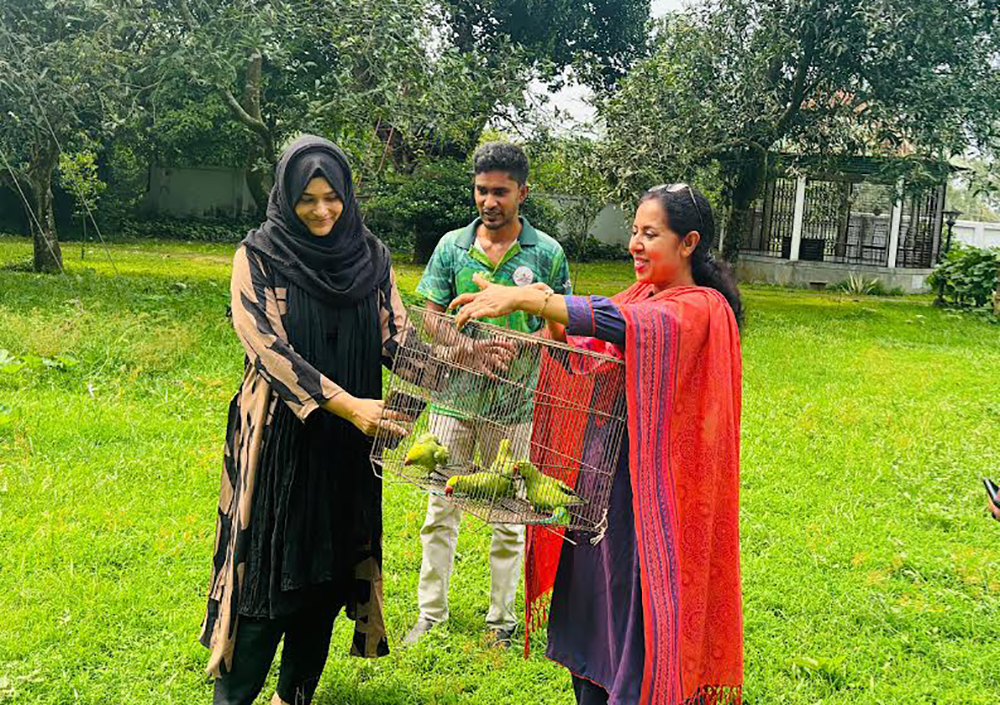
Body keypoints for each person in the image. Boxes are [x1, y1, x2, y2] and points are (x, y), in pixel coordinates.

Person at [451, 183, 744, 704]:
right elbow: (590, 355)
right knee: (594, 609)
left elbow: (633, 326)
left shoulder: (701, 306)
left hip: (653, 500)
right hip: (601, 484)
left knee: (639, 611)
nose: (635, 243)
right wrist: (553, 326)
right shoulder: (638, 294)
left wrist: (528, 296)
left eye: (649, 234)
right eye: (634, 230)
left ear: (689, 242)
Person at [200, 135, 411, 705]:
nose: (322, 211)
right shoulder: (259, 256)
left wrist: (464, 358)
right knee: (267, 578)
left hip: (348, 449)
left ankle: (293, 696)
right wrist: (350, 407)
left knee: (326, 576)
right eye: (308, 200)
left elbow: (398, 338)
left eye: (332, 198)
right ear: (286, 197)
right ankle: (235, 696)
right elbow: (268, 350)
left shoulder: (371, 256)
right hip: (279, 442)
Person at [404, 142, 572, 648]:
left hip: (514, 408)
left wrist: (522, 342)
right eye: (481, 190)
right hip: (452, 403)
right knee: (440, 511)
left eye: (500, 191)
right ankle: (429, 615)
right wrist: (470, 352)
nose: (489, 201)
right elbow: (431, 316)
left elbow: (560, 330)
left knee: (509, 518)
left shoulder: (546, 254)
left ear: (523, 192)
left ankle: (501, 623)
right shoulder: (451, 247)